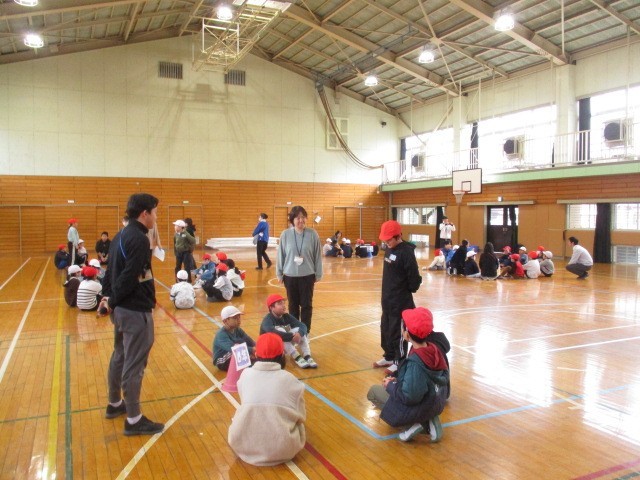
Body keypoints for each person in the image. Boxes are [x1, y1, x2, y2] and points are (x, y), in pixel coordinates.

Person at [100, 192, 164, 436]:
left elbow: (110, 272)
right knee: (134, 364)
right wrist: (112, 299)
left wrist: (108, 298)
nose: (155, 217)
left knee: (120, 355)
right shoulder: (139, 239)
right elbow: (129, 276)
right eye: (154, 212)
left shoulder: (120, 236)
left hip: (121, 310)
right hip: (135, 311)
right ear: (144, 213)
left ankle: (114, 403)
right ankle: (134, 419)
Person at [367, 307, 448, 443]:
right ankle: (429, 418)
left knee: (373, 392)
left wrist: (391, 386)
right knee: (393, 384)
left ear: (407, 335)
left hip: (422, 405)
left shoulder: (416, 362)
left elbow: (409, 396)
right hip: (435, 402)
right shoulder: (433, 349)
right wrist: (398, 379)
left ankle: (416, 424)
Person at [227, 333, 306, 466]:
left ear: (256, 355)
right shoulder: (291, 380)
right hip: (285, 450)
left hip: (243, 447)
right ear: (282, 355)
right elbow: (301, 417)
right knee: (298, 423)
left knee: (241, 414)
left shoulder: (245, 375)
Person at [374, 220, 422, 375]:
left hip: (400, 301)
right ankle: (389, 356)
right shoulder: (389, 249)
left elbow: (413, 278)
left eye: (389, 240)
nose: (387, 243)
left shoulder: (406, 252)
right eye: (385, 240)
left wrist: (408, 289)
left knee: (397, 332)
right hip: (387, 299)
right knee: (386, 329)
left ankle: (399, 361)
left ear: (398, 236)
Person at [276, 205, 323, 333]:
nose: (301, 220)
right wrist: (279, 273)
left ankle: (305, 332)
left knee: (307, 305)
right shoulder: (285, 234)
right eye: (297, 218)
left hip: (307, 276)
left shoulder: (312, 234)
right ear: (292, 220)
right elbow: (281, 255)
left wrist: (318, 273)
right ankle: (295, 332)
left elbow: (317, 255)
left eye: (303, 217)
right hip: (290, 276)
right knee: (293, 306)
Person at [260, 294, 317, 369]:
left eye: (283, 303)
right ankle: (297, 356)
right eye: (280, 304)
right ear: (271, 308)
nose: (283, 305)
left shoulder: (286, 316)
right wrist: (292, 336)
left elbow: (303, 325)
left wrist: (299, 334)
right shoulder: (267, 320)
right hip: (270, 349)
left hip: (282, 344)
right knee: (280, 331)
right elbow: (274, 333)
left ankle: (307, 356)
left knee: (299, 330)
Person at [213, 306, 256, 371]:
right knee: (238, 350)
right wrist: (252, 350)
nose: (238, 320)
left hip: (233, 353)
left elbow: (249, 341)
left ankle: (250, 363)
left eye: (239, 317)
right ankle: (249, 365)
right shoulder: (221, 334)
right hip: (222, 361)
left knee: (245, 347)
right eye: (235, 318)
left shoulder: (238, 330)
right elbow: (233, 348)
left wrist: (256, 348)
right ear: (225, 321)